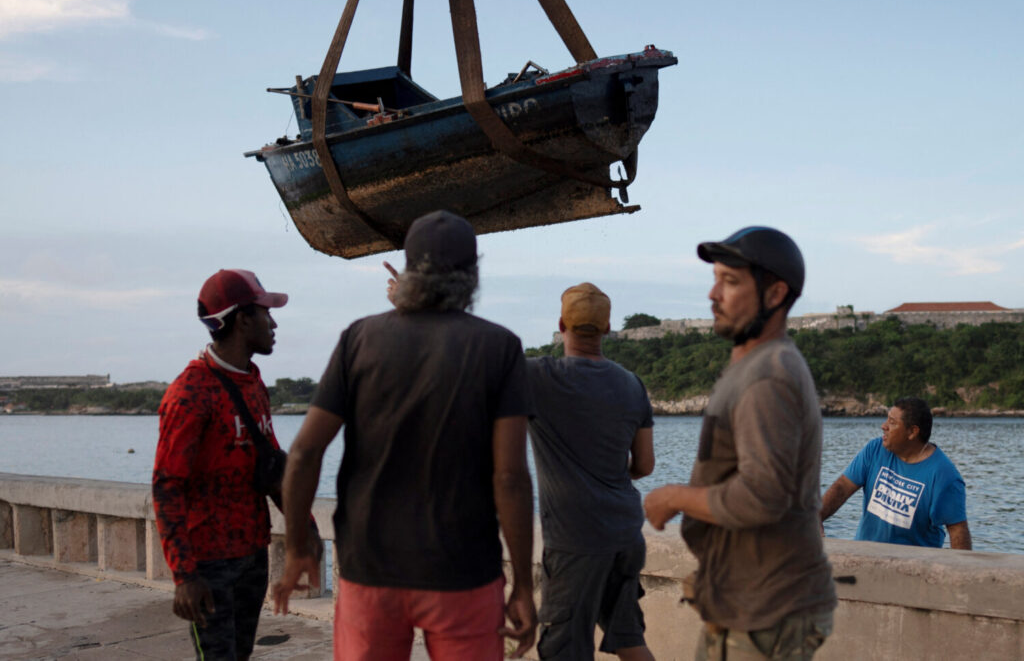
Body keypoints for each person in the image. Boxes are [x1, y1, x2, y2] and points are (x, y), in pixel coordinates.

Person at [272, 210, 537, 661]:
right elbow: (509, 478)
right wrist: (525, 587)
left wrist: (298, 545)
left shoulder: (360, 339)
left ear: (409, 271)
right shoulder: (500, 347)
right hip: (463, 572)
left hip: (369, 569)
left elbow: (303, 453)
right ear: (472, 275)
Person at [643, 226, 836, 660]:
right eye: (715, 279)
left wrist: (675, 496)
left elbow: (762, 495)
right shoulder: (755, 364)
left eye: (730, 282)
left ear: (775, 293)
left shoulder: (769, 375)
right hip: (747, 602)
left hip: (767, 611)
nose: (714, 294)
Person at [153, 269, 319, 660]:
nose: (273, 322)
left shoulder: (254, 383)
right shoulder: (190, 394)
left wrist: (304, 529)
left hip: (251, 556)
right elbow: (167, 486)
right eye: (266, 312)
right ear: (243, 320)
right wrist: (184, 576)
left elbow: (272, 465)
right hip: (208, 564)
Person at [527, 282, 656, 661]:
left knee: (563, 649)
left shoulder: (539, 376)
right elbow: (645, 465)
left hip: (575, 540)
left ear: (561, 323)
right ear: (608, 327)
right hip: (624, 534)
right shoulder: (632, 384)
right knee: (629, 639)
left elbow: (471, 357)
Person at [820, 397, 972, 549]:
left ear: (912, 432)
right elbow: (843, 486)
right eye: (887, 420)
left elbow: (957, 529)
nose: (883, 426)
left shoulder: (944, 476)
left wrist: (962, 569)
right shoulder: (875, 449)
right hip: (865, 556)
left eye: (892, 423)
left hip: (914, 566)